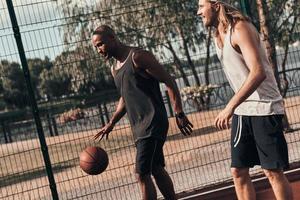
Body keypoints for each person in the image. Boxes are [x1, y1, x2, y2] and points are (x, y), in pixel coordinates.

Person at [197, 1, 293, 200]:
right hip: (243, 110)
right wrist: (236, 106)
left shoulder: (240, 28)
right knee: (238, 172)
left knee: (272, 172)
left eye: (201, 6)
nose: (198, 12)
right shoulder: (217, 35)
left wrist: (230, 106)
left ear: (215, 5)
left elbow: (258, 72)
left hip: (264, 108)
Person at [91, 25, 193, 200]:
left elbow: (168, 80)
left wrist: (179, 112)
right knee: (156, 168)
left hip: (153, 121)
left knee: (141, 174)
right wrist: (112, 123)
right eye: (96, 47)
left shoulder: (138, 56)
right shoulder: (114, 68)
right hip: (139, 128)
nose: (98, 50)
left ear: (112, 37)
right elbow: (125, 96)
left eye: (100, 44)